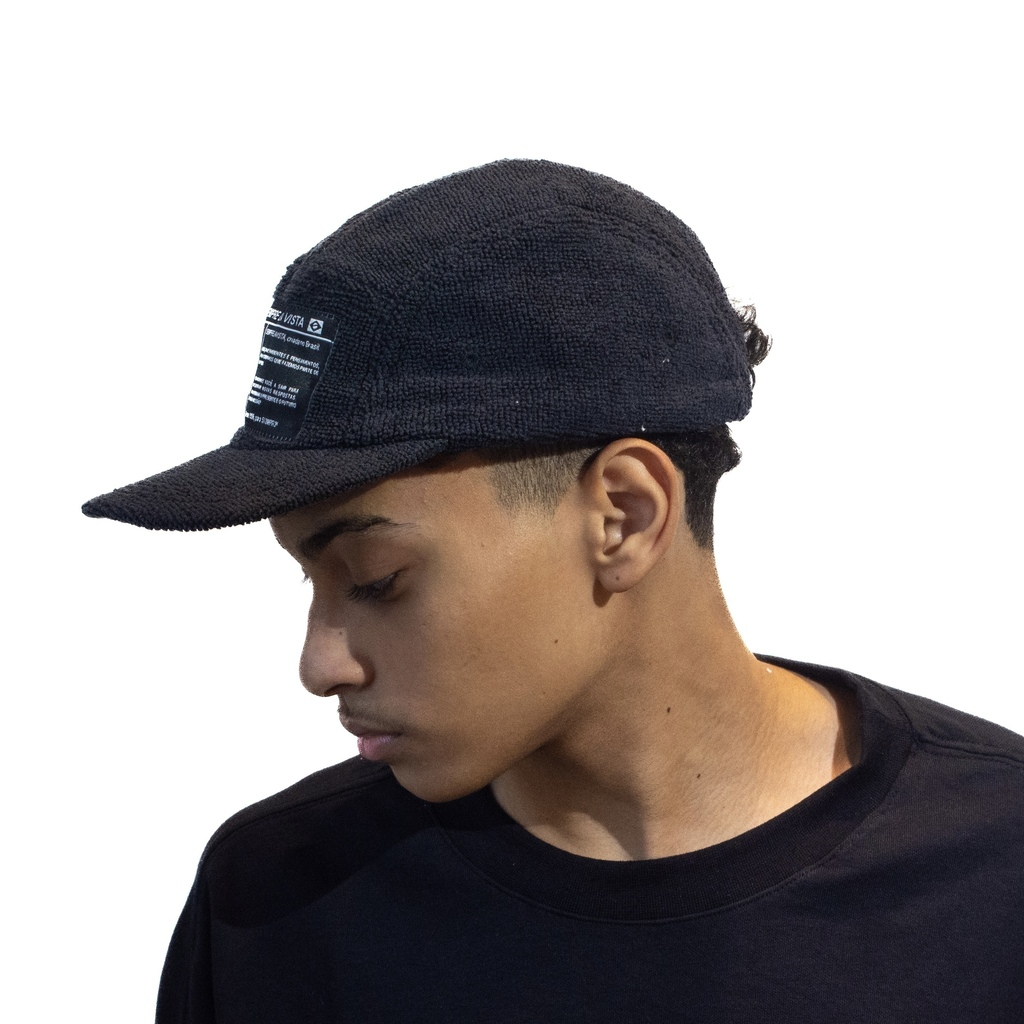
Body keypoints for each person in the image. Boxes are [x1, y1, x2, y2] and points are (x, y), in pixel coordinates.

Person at [83, 159, 1024, 1022]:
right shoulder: (278, 903)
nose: (320, 663)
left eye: (377, 579)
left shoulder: (997, 872)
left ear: (623, 515)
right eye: (307, 577)